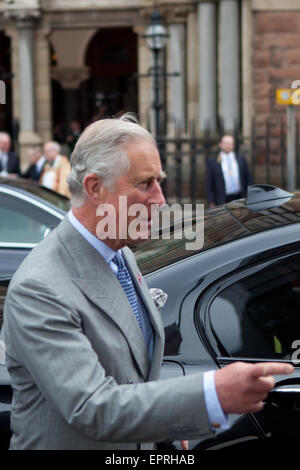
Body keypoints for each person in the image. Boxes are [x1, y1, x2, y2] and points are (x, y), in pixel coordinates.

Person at [2, 114, 293, 450]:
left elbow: (134, 377)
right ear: (95, 188)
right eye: (144, 183)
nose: (160, 200)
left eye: (160, 181)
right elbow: (94, 409)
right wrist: (211, 395)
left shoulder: (119, 252)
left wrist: (168, 426)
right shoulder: (40, 287)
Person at [205, 134, 253, 207]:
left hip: (240, 197)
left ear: (233, 145)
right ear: (220, 144)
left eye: (230, 143)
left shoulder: (241, 159)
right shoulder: (213, 161)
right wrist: (211, 201)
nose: (228, 145)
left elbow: (248, 178)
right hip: (222, 199)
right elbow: (209, 183)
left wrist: (248, 196)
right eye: (226, 143)